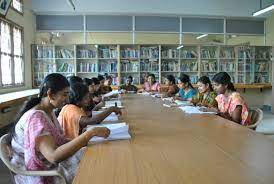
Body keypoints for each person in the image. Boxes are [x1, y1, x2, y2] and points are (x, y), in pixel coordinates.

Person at [9, 73, 110, 184]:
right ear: (51, 94)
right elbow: (53, 156)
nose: (67, 99)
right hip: (42, 173)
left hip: (50, 163)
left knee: (97, 155)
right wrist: (89, 134)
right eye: (64, 95)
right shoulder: (36, 118)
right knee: (96, 165)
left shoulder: (48, 110)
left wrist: (84, 139)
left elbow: (58, 142)